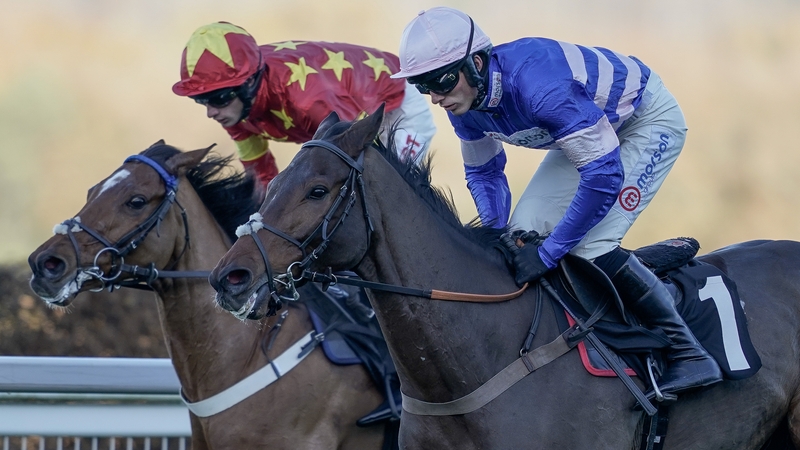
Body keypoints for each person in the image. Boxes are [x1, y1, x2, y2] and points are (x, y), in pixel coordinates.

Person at [391, 7, 722, 399]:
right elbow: (485, 174)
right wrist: (498, 237)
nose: (435, 97)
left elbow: (603, 178)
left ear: (475, 64)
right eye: (422, 85)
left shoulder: (539, 88)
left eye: (441, 81)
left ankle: (690, 353)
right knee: (520, 234)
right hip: (589, 132)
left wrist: (549, 254)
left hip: (644, 123)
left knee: (589, 245)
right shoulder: (465, 104)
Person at [173, 22, 437, 193]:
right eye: (201, 100)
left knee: (379, 188)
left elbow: (352, 151)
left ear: (249, 82)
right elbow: (262, 177)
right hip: (349, 113)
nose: (211, 112)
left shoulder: (306, 100)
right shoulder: (236, 107)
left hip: (395, 104)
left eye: (218, 98)